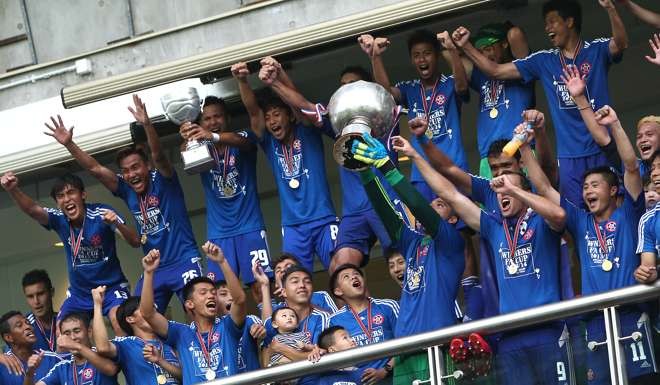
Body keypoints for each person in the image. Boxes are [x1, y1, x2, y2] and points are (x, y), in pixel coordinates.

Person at [522, 105, 656, 384]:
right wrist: (524, 147)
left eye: (595, 185)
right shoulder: (580, 221)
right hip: (595, 324)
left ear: (613, 190)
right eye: (585, 188)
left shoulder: (629, 215)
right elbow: (546, 188)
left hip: (631, 316)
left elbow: (630, 166)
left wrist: (615, 124)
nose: (588, 191)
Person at [452, 0, 628, 206]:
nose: (547, 28)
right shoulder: (544, 61)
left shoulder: (596, 50)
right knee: (571, 216)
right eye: (546, 23)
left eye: (552, 22)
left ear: (569, 21)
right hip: (569, 155)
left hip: (603, 147)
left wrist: (610, 9)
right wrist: (466, 46)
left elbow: (620, 43)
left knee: (617, 205)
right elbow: (495, 71)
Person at [45, 97, 203, 313]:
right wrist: (69, 145)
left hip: (183, 259)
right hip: (154, 267)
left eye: (136, 167)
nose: (131, 174)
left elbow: (158, 155)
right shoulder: (127, 189)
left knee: (198, 309)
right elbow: (95, 169)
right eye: (126, 170)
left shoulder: (164, 180)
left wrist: (147, 125)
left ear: (146, 166)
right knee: (136, 317)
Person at [258, 56, 405, 272]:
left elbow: (387, 94)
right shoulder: (338, 124)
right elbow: (303, 106)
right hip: (353, 212)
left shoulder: (385, 118)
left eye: (352, 85)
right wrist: (276, 79)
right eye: (342, 86)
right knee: (340, 267)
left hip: (384, 202)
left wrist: (375, 55)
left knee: (402, 257)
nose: (346, 90)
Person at [350, 127, 465, 384]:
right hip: (404, 350)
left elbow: (419, 207)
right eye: (432, 202)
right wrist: (366, 173)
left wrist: (387, 167)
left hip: (435, 348)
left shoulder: (451, 243)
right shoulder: (413, 243)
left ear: (454, 218)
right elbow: (388, 215)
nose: (433, 204)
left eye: (441, 204)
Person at [233, 61, 339, 272]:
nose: (272, 121)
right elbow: (254, 112)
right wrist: (242, 80)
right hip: (293, 227)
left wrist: (278, 76)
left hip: (323, 219)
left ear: (289, 115)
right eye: (268, 116)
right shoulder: (268, 142)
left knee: (340, 272)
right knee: (293, 279)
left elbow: (299, 103)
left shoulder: (307, 131)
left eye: (276, 114)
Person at [0, 172, 134, 335]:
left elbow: (134, 241)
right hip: (80, 295)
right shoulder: (60, 219)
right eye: (61, 196)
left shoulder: (101, 213)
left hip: (110, 289)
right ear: (57, 203)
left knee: (118, 320)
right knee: (61, 332)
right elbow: (33, 210)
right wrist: (13, 190)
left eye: (71, 192)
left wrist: (117, 225)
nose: (67, 199)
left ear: (83, 194)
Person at [179, 95, 273, 301]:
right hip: (219, 233)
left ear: (227, 118)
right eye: (207, 119)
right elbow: (184, 154)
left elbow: (247, 142)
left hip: (250, 227)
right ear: (201, 123)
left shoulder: (240, 138)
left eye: (218, 116)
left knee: (260, 285)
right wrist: (188, 137)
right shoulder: (200, 148)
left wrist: (212, 136)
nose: (213, 122)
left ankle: (269, 329)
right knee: (219, 293)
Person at [359, 29, 469, 200]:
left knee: (464, 224)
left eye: (427, 53)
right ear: (411, 60)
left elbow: (462, 87)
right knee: (428, 225)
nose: (422, 59)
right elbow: (386, 95)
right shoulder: (409, 88)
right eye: (416, 55)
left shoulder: (450, 83)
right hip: (422, 174)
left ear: (437, 56)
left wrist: (453, 50)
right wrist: (375, 57)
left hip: (453, 166)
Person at [139, 242, 246, 384]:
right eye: (203, 293)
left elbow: (239, 300)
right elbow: (147, 313)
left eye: (213, 293)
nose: (211, 296)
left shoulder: (227, 326)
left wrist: (222, 261)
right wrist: (148, 273)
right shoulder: (181, 333)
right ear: (189, 304)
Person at [561, 64, 659, 179]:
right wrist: (579, 98)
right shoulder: (634, 168)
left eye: (649, 134)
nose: (643, 140)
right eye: (639, 136)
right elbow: (603, 139)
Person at [464, 22, 535, 178]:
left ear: (504, 44)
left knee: (530, 199)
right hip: (488, 157)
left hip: (521, 147)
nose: (485, 56)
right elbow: (450, 56)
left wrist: (506, 27)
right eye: (480, 52)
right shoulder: (480, 76)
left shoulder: (521, 68)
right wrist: (453, 44)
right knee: (495, 201)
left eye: (489, 49)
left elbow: (515, 34)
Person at [91, 287, 182, 385]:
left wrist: (160, 361)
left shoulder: (169, 340)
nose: (152, 313)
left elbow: (187, 377)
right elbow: (102, 347)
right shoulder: (126, 344)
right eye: (146, 309)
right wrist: (97, 305)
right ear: (130, 319)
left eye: (154, 309)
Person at [328, 264, 398, 384]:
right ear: (338, 291)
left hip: (395, 376)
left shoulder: (388, 306)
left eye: (356, 274)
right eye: (346, 277)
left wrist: (385, 370)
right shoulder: (334, 320)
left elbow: (407, 340)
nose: (353, 277)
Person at [263, 265, 329, 385]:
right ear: (284, 292)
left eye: (307, 282)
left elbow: (317, 359)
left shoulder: (322, 318)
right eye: (295, 281)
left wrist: (282, 349)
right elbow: (266, 356)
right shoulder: (272, 322)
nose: (302, 285)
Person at [25, 312, 119, 385]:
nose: (73, 337)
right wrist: (30, 373)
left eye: (77, 331)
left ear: (89, 332)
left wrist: (77, 346)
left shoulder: (103, 352)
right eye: (67, 334)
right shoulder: (62, 367)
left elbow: (110, 369)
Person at [213, 271, 264, 374]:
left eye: (233, 294)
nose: (231, 298)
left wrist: (259, 329)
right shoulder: (210, 328)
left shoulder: (249, 319)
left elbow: (259, 326)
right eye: (223, 294)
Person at [0, 311, 64, 385]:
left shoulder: (53, 359)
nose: (28, 327)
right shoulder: (2, 365)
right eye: (19, 325)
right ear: (8, 337)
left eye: (28, 323)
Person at [271, 254, 338, 314]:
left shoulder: (320, 296)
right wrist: (264, 286)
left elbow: (336, 319)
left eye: (289, 266)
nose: (283, 270)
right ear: (276, 284)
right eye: (278, 271)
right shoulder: (276, 309)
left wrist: (306, 304)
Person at [636, 150, 660, 285]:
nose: (654, 173)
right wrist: (646, 274)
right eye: (653, 169)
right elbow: (649, 268)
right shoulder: (648, 220)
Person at [22, 270, 59, 352]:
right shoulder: (22, 328)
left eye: (40, 294)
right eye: (30, 296)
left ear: (52, 292)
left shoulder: (65, 321)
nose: (36, 301)